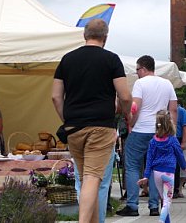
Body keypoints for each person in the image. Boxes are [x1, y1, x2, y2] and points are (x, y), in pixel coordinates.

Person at [52, 19, 132, 223]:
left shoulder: (66, 59)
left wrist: (67, 119)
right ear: (105, 37)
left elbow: (55, 96)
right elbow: (124, 96)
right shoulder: (111, 59)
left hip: (73, 128)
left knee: (86, 178)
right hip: (100, 127)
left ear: (84, 35)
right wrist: (126, 115)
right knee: (92, 178)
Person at [118, 55, 177, 217]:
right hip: (160, 132)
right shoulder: (167, 84)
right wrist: (172, 131)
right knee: (154, 167)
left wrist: (131, 124)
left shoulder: (140, 83)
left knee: (132, 166)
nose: (136, 73)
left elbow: (135, 107)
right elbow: (173, 109)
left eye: (137, 70)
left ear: (143, 68)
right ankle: (153, 206)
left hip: (141, 129)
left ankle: (132, 205)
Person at [138, 110, 186, 223]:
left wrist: (146, 176)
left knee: (163, 199)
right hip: (168, 173)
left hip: (157, 173)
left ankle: (166, 221)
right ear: (170, 124)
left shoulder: (153, 141)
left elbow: (149, 159)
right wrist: (184, 167)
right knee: (167, 201)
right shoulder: (173, 140)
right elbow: (179, 155)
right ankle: (161, 221)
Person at [173, 99, 186, 198]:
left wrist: (183, 142)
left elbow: (185, 127)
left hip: (178, 138)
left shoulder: (181, 111)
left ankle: (175, 189)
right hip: (167, 138)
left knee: (176, 165)